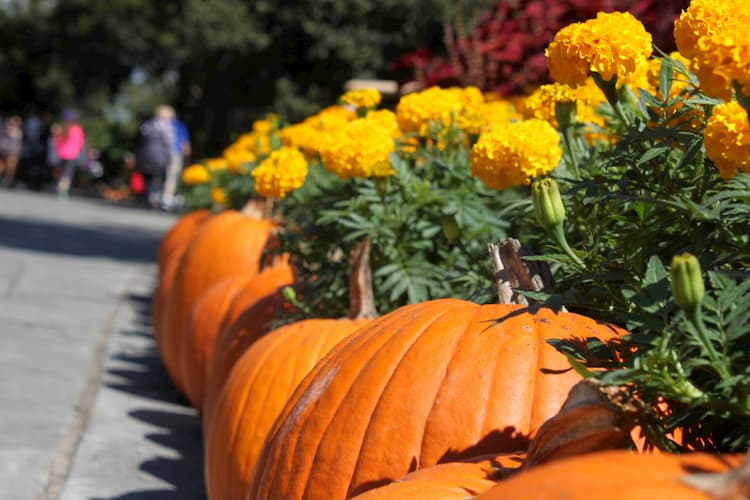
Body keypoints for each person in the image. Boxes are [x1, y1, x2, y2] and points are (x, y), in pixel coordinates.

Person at [134, 105, 174, 207]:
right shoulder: (167, 127)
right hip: (161, 157)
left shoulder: (148, 125)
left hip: (147, 155)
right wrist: (169, 157)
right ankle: (157, 197)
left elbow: (140, 139)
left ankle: (147, 197)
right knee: (162, 178)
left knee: (148, 178)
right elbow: (169, 143)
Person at [52, 109, 86, 198]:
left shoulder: (60, 128)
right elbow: (80, 143)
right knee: (67, 174)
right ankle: (63, 190)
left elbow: (56, 142)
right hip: (72, 155)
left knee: (62, 172)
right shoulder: (77, 129)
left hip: (61, 154)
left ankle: (60, 186)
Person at [161, 109, 191, 210]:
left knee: (166, 175)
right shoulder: (178, 125)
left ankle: (164, 196)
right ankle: (167, 198)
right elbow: (185, 144)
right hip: (174, 153)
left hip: (160, 154)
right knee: (172, 176)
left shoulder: (157, 125)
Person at [0, 115, 23, 187]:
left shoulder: (18, 131)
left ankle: (9, 181)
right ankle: (5, 179)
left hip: (13, 152)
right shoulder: (6, 129)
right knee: (2, 165)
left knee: (10, 167)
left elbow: (16, 140)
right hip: (4, 150)